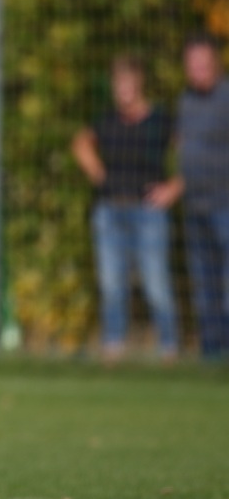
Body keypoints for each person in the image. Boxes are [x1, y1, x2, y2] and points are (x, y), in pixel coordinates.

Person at [72, 54, 179, 362]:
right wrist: (98, 173)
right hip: (110, 209)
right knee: (111, 284)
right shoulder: (107, 120)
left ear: (139, 82)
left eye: (128, 83)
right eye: (118, 84)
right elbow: (80, 143)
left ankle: (169, 348)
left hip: (148, 211)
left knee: (156, 282)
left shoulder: (159, 119)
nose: (123, 89)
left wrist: (174, 186)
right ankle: (113, 347)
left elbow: (190, 148)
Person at [150, 35, 229, 359]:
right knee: (203, 286)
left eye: (204, 63)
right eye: (192, 65)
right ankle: (212, 356)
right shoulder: (186, 100)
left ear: (216, 63)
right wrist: (175, 186)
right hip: (195, 207)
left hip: (226, 205)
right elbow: (186, 148)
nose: (198, 70)